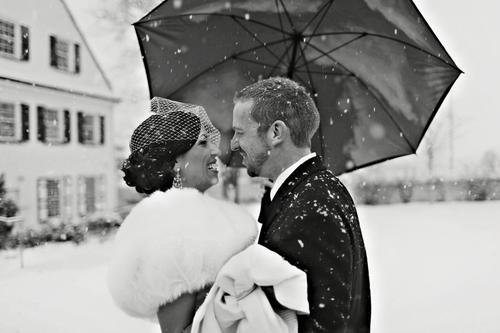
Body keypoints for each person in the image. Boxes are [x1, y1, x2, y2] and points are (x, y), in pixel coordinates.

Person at [107, 97, 309, 333]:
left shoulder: (201, 220)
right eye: (203, 143)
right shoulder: (171, 232)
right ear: (174, 161)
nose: (216, 149)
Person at [231, 77, 371, 332]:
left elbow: (322, 324)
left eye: (240, 132)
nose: (233, 143)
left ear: (276, 132)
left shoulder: (310, 209)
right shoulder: (313, 190)